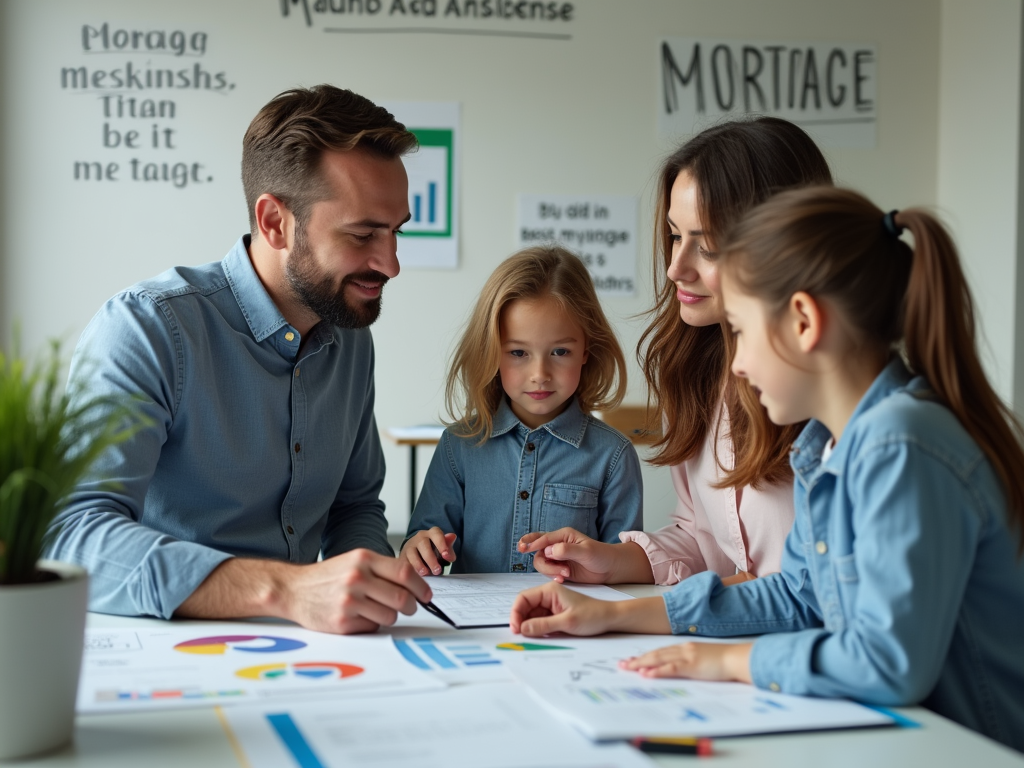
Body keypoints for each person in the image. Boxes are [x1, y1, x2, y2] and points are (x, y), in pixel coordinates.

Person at [509, 187, 1024, 752]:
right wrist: (619, 617)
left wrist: (731, 660)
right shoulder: (828, 445)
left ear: (803, 321)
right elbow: (799, 595)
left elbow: (887, 661)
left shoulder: (899, 444)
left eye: (743, 331)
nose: (737, 361)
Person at [47, 85, 434, 634]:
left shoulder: (350, 336)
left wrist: (370, 590)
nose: (391, 264)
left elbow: (356, 508)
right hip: (166, 648)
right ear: (275, 222)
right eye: (363, 234)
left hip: (312, 655)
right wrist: (286, 590)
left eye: (396, 232)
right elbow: (73, 537)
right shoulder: (146, 328)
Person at [518, 118, 832, 587]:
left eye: (705, 246)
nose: (674, 268)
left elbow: (812, 591)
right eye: (674, 235)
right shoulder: (695, 369)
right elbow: (706, 542)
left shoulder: (836, 399)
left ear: (781, 248)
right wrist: (610, 560)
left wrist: (690, 609)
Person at [400, 246, 643, 575]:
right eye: (518, 352)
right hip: (474, 624)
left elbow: (626, 570)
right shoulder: (458, 446)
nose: (540, 373)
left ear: (587, 349)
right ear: (491, 352)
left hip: (566, 623)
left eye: (560, 351)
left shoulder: (613, 456)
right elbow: (424, 541)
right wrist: (419, 547)